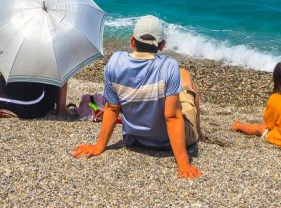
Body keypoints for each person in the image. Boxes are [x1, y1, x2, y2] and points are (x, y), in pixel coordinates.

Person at [72, 15, 202, 178]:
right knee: (188, 82)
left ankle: (198, 133)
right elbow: (172, 117)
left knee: (180, 77)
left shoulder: (114, 63)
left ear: (132, 41)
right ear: (162, 45)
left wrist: (99, 146)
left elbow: (112, 108)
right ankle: (198, 134)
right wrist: (183, 164)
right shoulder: (169, 66)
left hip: (136, 140)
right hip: (167, 142)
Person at [231, 59, 281, 147]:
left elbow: (269, 125)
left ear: (274, 79)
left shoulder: (274, 98)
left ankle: (239, 126)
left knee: (260, 128)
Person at [0, 74, 68, 119]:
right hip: (29, 108)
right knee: (59, 70)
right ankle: (62, 108)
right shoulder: (48, 51)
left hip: (1, 102)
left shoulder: (12, 49)